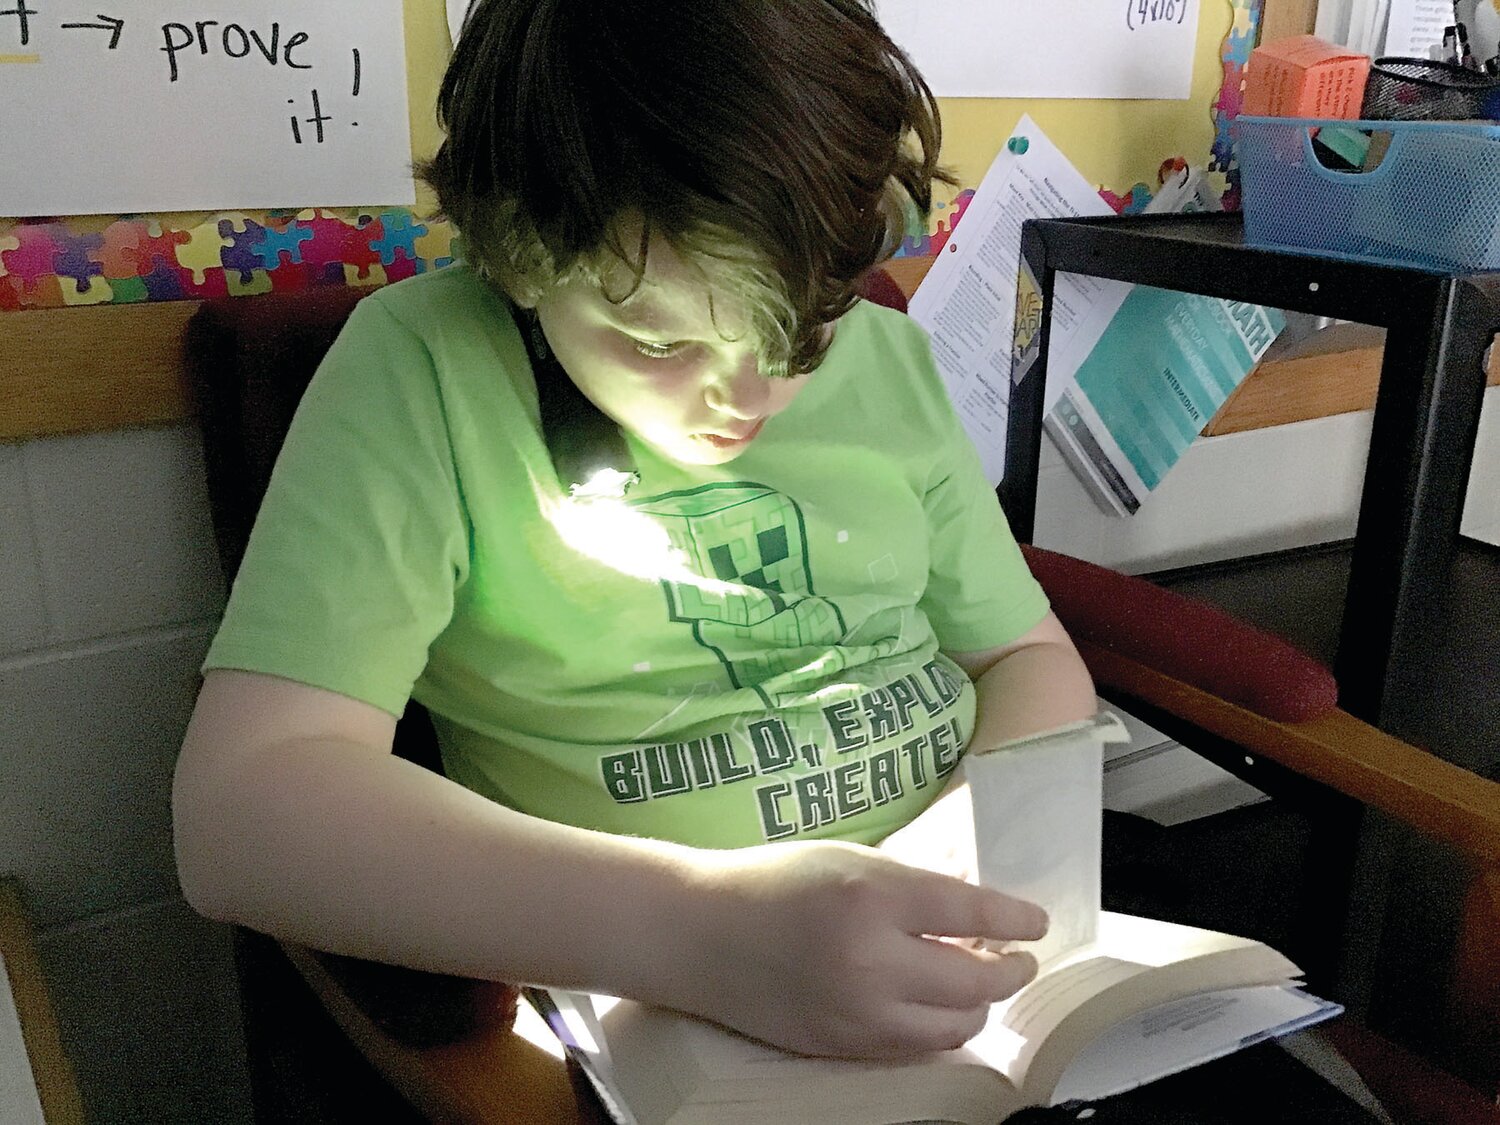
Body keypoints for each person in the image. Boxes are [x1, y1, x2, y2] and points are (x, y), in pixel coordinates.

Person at [172, 0, 1096, 1062]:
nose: (748, 396)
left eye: (807, 328)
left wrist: (983, 843)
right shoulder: (424, 369)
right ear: (520, 257)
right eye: (658, 342)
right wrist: (707, 934)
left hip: (973, 970)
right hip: (685, 1006)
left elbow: (1028, 656)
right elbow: (239, 812)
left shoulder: (888, 357)